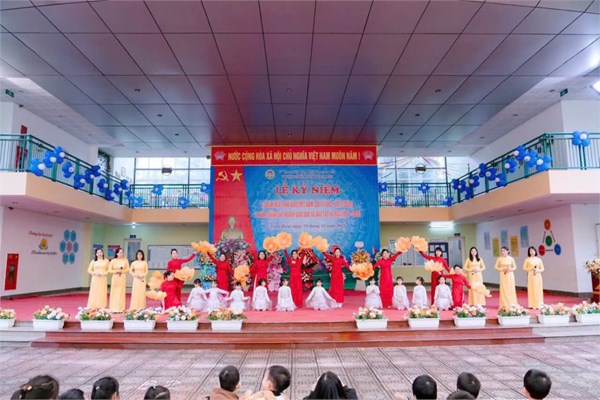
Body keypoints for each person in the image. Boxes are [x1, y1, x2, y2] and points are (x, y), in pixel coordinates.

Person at [108, 247, 129, 313]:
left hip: (122, 278)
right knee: (114, 293)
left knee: (121, 293)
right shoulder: (113, 261)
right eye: (120, 252)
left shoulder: (125, 260)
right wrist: (116, 271)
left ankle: (120, 308)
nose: (122, 253)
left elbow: (127, 269)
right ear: (117, 253)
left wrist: (122, 271)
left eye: (122, 252)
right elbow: (109, 270)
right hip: (115, 278)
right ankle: (113, 308)